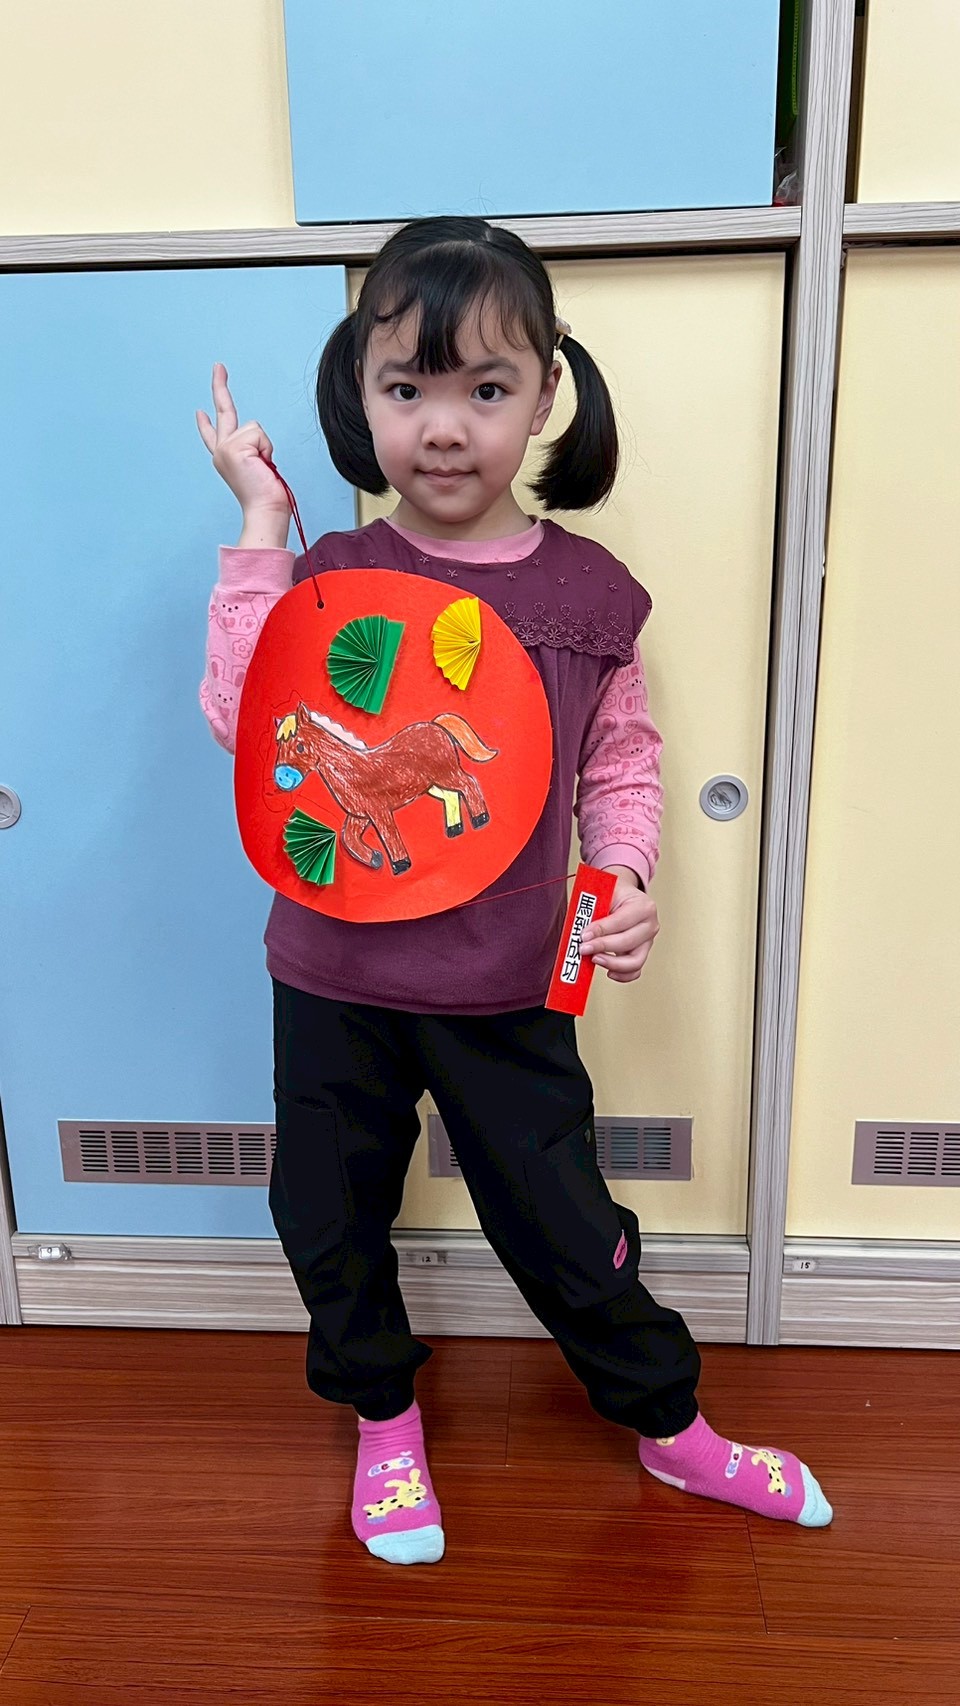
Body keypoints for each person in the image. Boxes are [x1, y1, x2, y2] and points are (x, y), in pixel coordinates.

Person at [196, 216, 832, 1566]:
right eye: (407, 387)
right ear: (360, 395)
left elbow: (622, 763)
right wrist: (258, 529)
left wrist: (628, 877)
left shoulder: (590, 597)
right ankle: (382, 1416)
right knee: (327, 1212)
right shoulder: (333, 576)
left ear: (547, 394)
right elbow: (240, 723)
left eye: (486, 388)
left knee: (566, 1222)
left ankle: (670, 1423)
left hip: (507, 982)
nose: (444, 427)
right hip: (332, 976)